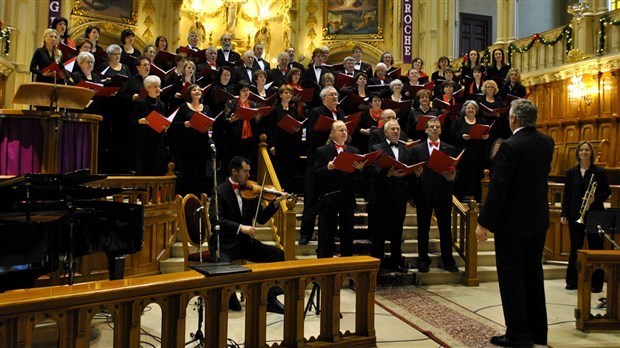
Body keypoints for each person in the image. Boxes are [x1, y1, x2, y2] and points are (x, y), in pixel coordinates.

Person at [476, 99, 554, 348]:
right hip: (538, 219)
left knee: (511, 277)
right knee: (533, 273)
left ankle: (518, 333)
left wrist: (484, 222)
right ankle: (538, 332)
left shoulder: (510, 147)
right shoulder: (546, 142)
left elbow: (499, 188)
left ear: (514, 120)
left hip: (512, 224)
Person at [209, 156, 289, 314]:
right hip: (224, 244)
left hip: (244, 243)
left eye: (249, 171)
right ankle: (228, 297)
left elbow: (261, 218)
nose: (248, 175)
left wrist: (275, 203)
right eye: (245, 171)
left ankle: (270, 298)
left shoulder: (251, 192)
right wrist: (241, 227)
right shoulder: (220, 192)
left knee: (277, 254)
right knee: (225, 266)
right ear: (234, 171)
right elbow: (216, 220)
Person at [561, 141, 611, 292]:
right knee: (575, 249)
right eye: (581, 150)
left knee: (596, 248)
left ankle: (596, 284)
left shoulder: (599, 172)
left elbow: (607, 192)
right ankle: (572, 281)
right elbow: (567, 195)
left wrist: (596, 198)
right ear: (578, 153)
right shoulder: (571, 173)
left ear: (591, 153)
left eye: (587, 150)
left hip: (595, 214)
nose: (584, 152)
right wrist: (564, 213)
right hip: (576, 214)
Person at [411, 117, 459, 273]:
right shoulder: (417, 149)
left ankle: (448, 260)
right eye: (431, 126)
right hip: (423, 193)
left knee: (445, 228)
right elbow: (412, 173)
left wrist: (452, 178)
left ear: (441, 130)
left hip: (443, 193)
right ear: (425, 130)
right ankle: (423, 260)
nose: (434, 129)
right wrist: (416, 176)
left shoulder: (449, 149)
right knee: (423, 228)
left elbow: (455, 171)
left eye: (437, 127)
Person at [299, 86, 344, 245]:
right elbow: (310, 134)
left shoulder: (340, 113)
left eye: (336, 94)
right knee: (311, 198)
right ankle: (305, 233)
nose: (335, 97)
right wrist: (330, 133)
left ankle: (332, 231)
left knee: (333, 199)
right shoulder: (316, 112)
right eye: (331, 95)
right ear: (324, 98)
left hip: (335, 162)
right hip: (317, 161)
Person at [314, 121, 365, 258]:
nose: (344, 132)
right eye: (340, 130)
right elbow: (315, 174)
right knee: (326, 233)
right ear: (332, 134)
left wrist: (360, 170)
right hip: (329, 197)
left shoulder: (354, 151)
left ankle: (347, 262)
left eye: (345, 130)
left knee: (347, 233)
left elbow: (358, 178)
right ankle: (325, 262)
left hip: (347, 196)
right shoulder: (322, 151)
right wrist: (327, 168)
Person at [369, 119, 414, 272]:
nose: (396, 131)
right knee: (379, 231)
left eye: (397, 129)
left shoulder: (406, 150)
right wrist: (388, 172)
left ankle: (396, 261)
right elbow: (372, 170)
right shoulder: (377, 148)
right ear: (385, 132)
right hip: (382, 196)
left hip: (400, 196)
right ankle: (377, 263)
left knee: (397, 231)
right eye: (392, 129)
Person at [170, 84, 214, 195]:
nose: (197, 91)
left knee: (200, 170)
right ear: (189, 93)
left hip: (202, 142)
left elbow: (211, 125)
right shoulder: (184, 106)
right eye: (194, 90)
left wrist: (209, 128)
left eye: (199, 89)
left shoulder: (207, 108)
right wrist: (185, 124)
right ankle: (187, 197)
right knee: (188, 171)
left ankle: (199, 197)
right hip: (187, 143)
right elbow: (174, 125)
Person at [449, 100, 489, 202]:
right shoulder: (458, 121)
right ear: (464, 110)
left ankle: (477, 196)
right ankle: (461, 197)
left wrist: (486, 137)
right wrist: (462, 136)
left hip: (478, 153)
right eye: (468, 108)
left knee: (476, 174)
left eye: (473, 108)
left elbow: (487, 135)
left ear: (476, 110)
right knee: (462, 175)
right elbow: (451, 135)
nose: (471, 110)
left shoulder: (482, 121)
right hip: (463, 153)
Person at [131, 75, 168, 176]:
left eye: (159, 86)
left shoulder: (161, 104)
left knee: (156, 167)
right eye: (155, 86)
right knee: (144, 167)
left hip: (158, 140)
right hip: (145, 140)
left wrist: (166, 126)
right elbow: (133, 122)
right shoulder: (141, 103)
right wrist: (141, 121)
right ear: (147, 88)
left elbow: (164, 121)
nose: (158, 89)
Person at [268, 85, 302, 192]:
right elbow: (270, 129)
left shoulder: (294, 110)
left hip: (291, 144)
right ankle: (279, 192)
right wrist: (272, 145)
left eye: (290, 93)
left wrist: (297, 130)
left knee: (290, 170)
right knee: (280, 170)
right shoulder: (275, 110)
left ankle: (289, 194)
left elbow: (298, 126)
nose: (288, 95)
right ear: (281, 95)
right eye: (286, 93)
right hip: (279, 143)